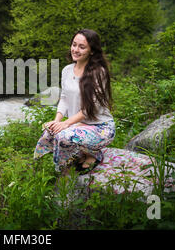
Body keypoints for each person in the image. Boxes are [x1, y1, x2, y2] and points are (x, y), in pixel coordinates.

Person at [34, 29, 115, 175]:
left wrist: (66, 123)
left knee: (63, 136)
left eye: (81, 47)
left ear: (91, 51)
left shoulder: (98, 72)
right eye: (74, 45)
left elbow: (92, 107)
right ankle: (75, 157)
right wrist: (56, 121)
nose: (75, 50)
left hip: (100, 127)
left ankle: (93, 155)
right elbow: (64, 98)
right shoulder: (67, 70)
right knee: (49, 133)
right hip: (79, 124)